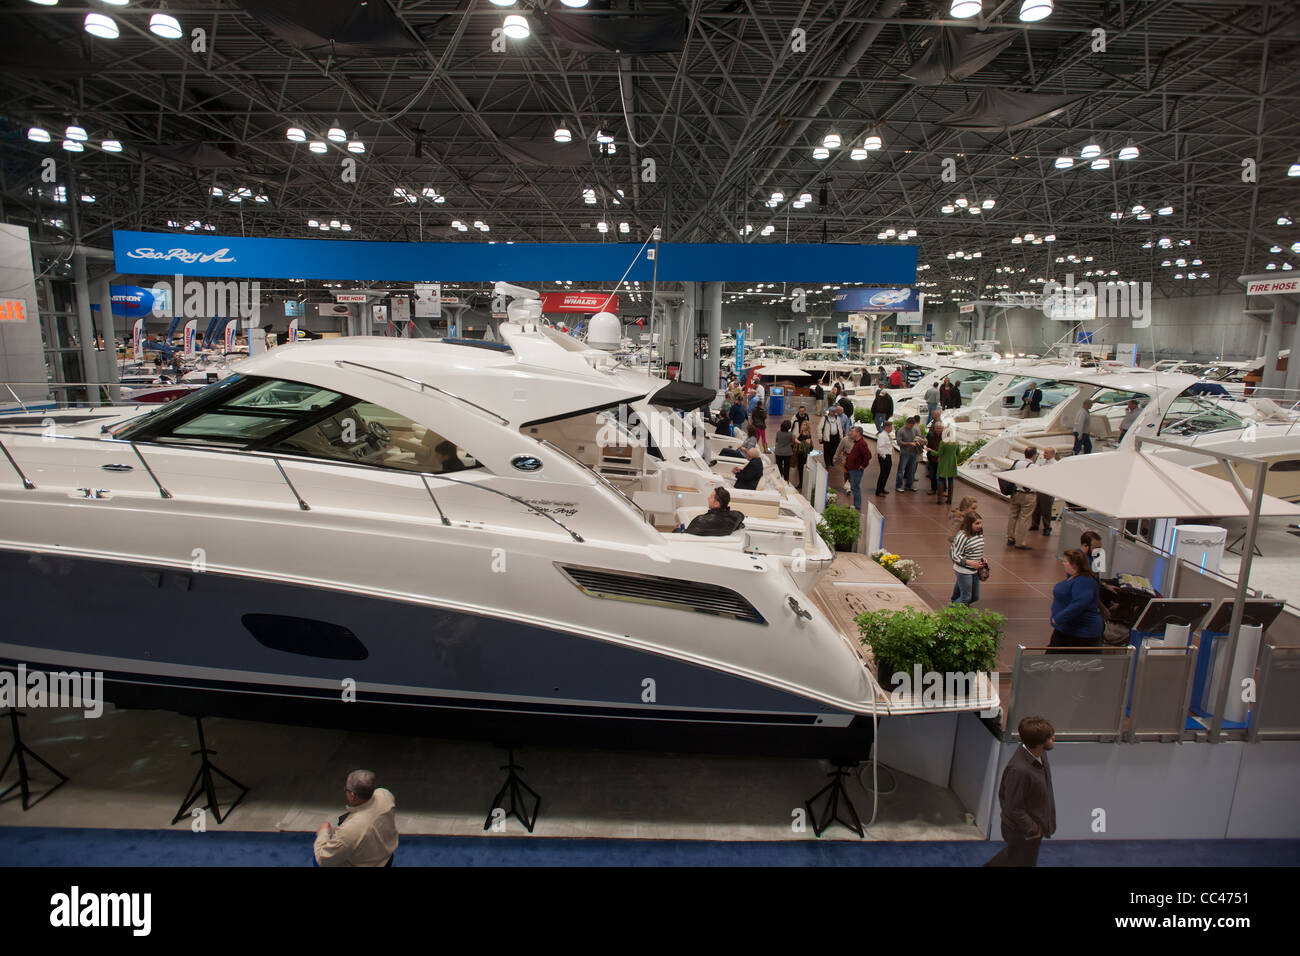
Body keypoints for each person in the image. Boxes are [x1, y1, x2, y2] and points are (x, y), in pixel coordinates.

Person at [984, 716, 1056, 867]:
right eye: (1049, 737)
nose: (1053, 738)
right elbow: (1013, 807)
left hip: (1030, 828)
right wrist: (1033, 829)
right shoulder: (1019, 771)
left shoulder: (1040, 755)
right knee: (1021, 861)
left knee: (1014, 857)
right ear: (1038, 743)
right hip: (1022, 831)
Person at [313, 770, 399, 867]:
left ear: (352, 795)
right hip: (387, 858)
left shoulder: (349, 830)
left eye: (346, 790)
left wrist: (323, 833)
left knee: (317, 860)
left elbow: (323, 861)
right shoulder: (385, 794)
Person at [1048, 549, 1105, 650]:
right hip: (1066, 629)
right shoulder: (1073, 577)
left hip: (1081, 634)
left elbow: (1079, 604)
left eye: (1065, 561)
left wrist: (1058, 618)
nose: (1063, 563)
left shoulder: (1084, 581)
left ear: (1074, 564)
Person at [949, 510, 987, 605]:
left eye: (980, 523)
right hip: (964, 570)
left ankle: (954, 605)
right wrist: (969, 562)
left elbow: (975, 549)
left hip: (974, 570)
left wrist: (981, 558)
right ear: (969, 524)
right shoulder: (963, 536)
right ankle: (949, 614)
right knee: (966, 598)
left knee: (975, 597)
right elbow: (955, 555)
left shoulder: (979, 533)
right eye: (977, 523)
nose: (980, 526)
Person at [1005, 446, 1039, 549]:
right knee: (1024, 518)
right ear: (1034, 455)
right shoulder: (1034, 467)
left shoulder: (1017, 463)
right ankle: (1020, 542)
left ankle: (1010, 538)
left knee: (1013, 516)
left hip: (1016, 493)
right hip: (1028, 495)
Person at [680, 486, 745, 536]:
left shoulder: (700, 520)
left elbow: (685, 534)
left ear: (716, 504)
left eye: (711, 497)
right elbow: (741, 519)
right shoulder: (735, 517)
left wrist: (678, 529)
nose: (708, 498)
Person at [1028, 447, 1057, 536]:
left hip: (1047, 491)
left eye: (1046, 453)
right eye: (1044, 453)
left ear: (1052, 454)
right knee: (1036, 509)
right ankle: (1035, 524)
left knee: (1046, 510)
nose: (1044, 454)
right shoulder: (1042, 462)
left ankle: (1047, 527)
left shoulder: (1055, 464)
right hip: (1039, 489)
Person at [843, 425, 872, 510]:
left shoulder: (862, 443)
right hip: (853, 468)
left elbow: (868, 455)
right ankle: (856, 505)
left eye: (853, 431)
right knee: (854, 487)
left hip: (856, 469)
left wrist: (863, 465)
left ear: (858, 433)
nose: (851, 433)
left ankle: (857, 506)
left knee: (855, 488)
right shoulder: (857, 442)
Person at [895, 415, 921, 492]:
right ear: (906, 423)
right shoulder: (901, 430)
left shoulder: (914, 430)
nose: (911, 426)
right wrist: (909, 443)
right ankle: (898, 486)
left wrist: (918, 442)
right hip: (904, 453)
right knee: (901, 470)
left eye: (912, 425)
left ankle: (909, 485)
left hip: (913, 452)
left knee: (912, 470)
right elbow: (899, 442)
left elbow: (918, 438)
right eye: (910, 425)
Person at [936, 426, 959, 504]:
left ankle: (940, 499)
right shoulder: (956, 442)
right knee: (951, 480)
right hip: (952, 463)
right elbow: (958, 453)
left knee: (941, 480)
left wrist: (930, 450)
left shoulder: (943, 443)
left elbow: (939, 453)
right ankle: (949, 499)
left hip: (943, 463)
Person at [820, 404, 845, 469]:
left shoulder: (837, 418)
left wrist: (841, 437)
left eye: (834, 412)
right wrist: (820, 437)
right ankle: (827, 463)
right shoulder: (825, 418)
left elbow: (840, 427)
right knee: (827, 450)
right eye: (832, 411)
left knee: (834, 450)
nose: (833, 413)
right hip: (827, 437)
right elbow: (819, 428)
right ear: (829, 411)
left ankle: (831, 461)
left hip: (836, 437)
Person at [874, 420, 895, 496]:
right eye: (890, 427)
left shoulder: (887, 435)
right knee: (883, 473)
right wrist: (884, 457)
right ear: (886, 427)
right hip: (884, 456)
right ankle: (878, 491)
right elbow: (880, 447)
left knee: (886, 473)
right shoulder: (882, 435)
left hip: (887, 455)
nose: (891, 428)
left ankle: (882, 488)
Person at [793, 420, 813, 488]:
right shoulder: (800, 433)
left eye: (805, 425)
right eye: (803, 425)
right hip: (799, 453)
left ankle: (803, 483)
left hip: (804, 454)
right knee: (799, 468)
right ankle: (800, 483)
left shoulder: (808, 434)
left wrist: (799, 442)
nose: (803, 426)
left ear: (807, 426)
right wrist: (801, 442)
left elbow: (807, 444)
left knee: (803, 468)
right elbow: (795, 439)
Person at [926, 419, 944, 494]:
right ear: (935, 428)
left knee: (942, 475)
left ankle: (943, 490)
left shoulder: (945, 435)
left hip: (942, 458)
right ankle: (933, 489)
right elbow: (928, 445)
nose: (939, 430)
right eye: (937, 428)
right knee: (932, 474)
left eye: (940, 428)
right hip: (932, 457)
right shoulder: (930, 435)